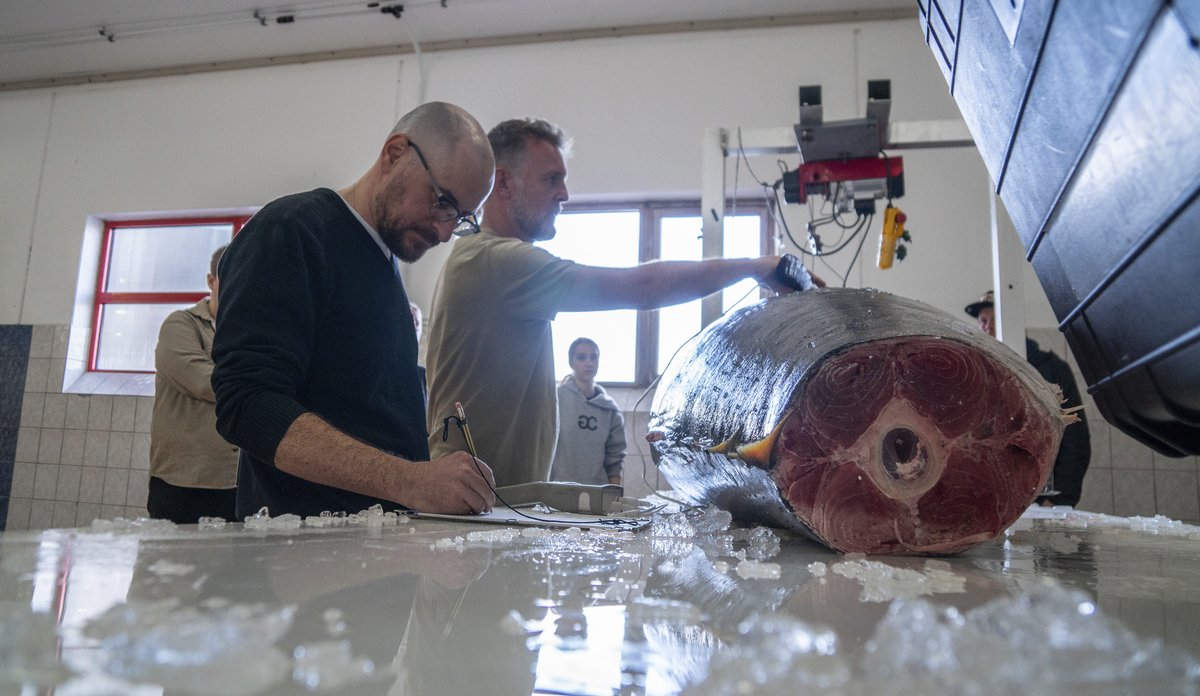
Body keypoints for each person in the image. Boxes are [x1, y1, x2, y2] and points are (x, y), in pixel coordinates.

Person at [425, 117, 822, 487]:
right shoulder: (496, 261)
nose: (564, 193)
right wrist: (757, 266)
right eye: (551, 179)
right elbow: (641, 288)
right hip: (471, 506)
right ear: (504, 183)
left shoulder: (486, 258)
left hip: (491, 504)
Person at [211, 101, 498, 519]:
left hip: (373, 559)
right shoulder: (292, 231)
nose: (443, 230)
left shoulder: (385, 262)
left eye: (461, 219)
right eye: (441, 202)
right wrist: (411, 481)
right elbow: (248, 406)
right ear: (395, 153)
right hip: (300, 563)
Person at [965, 290, 1091, 506]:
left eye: (996, 319)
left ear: (1014, 322)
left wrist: (1059, 497)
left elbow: (1074, 438)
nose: (988, 327)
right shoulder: (976, 376)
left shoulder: (1051, 371)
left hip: (1042, 500)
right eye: (983, 321)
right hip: (991, 502)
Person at [147, 245, 240, 523]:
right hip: (184, 482)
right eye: (230, 277)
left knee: (238, 565)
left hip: (239, 482)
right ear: (211, 281)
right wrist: (256, 386)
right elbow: (202, 381)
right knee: (172, 566)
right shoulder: (182, 324)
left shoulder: (252, 333)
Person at [550, 337, 625, 486]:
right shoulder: (555, 400)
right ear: (571, 362)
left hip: (597, 491)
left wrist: (614, 499)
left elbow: (615, 460)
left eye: (594, 357)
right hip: (558, 488)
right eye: (581, 357)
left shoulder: (610, 409)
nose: (588, 362)